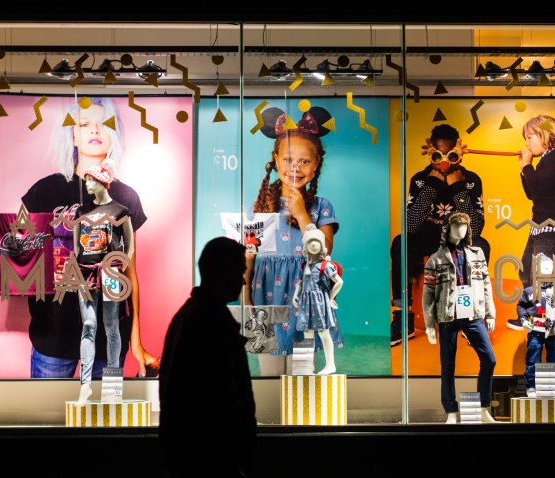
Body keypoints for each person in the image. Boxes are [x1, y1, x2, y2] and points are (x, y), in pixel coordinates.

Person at [21, 96, 158, 379]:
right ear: (71, 135)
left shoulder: (126, 198)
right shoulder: (43, 192)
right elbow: (22, 261)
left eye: (103, 124)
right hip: (53, 338)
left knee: (105, 421)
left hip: (109, 340)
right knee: (45, 421)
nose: (95, 131)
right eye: (84, 124)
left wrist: (136, 339)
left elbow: (130, 274)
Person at [245, 105, 342, 376]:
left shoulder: (322, 207)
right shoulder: (260, 207)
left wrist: (300, 214)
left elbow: (324, 252)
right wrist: (246, 300)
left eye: (305, 161)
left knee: (302, 369)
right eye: (288, 160)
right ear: (275, 160)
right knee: (270, 369)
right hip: (267, 293)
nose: (295, 168)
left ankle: (300, 418)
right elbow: (248, 257)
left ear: (316, 165)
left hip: (306, 296)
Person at [159, 236, 256, 478]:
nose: (243, 280)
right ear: (223, 272)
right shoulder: (211, 322)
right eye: (239, 271)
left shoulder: (189, 315)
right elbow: (222, 398)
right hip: (211, 461)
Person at [390, 123, 489, 346]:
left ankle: (469, 317)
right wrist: (433, 184)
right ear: (430, 154)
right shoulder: (421, 179)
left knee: (482, 246)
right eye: (438, 155)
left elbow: (476, 228)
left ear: (459, 154)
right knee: (400, 243)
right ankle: (402, 317)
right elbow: (411, 224)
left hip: (459, 239)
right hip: (428, 237)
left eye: (451, 155)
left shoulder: (472, 180)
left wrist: (457, 189)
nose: (444, 162)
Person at [422, 211, 497, 424]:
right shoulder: (436, 259)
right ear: (448, 229)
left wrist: (490, 313)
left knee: (489, 359)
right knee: (448, 366)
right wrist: (429, 324)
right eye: (457, 226)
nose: (461, 230)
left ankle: (483, 408)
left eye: (464, 226)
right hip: (448, 316)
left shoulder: (477, 254)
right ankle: (451, 412)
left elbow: (486, 285)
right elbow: (428, 293)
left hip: (473, 315)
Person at [73, 161, 134, 405]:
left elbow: (129, 245)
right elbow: (77, 246)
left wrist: (121, 267)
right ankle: (85, 385)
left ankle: (112, 386)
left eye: (91, 179)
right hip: (86, 273)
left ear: (102, 182)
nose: (87, 184)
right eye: (86, 180)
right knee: (88, 325)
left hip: (110, 272)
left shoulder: (121, 211)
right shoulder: (81, 212)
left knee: (111, 326)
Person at [507, 115, 555, 331]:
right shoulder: (547, 159)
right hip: (541, 225)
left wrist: (528, 166)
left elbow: (538, 189)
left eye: (529, 137)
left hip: (551, 226)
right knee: (526, 269)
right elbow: (532, 194)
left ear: (546, 135)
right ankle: (533, 316)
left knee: (542, 274)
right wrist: (523, 168)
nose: (526, 143)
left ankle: (548, 320)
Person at [516, 253, 555, 397]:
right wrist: (523, 320)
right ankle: (531, 387)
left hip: (554, 332)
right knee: (533, 360)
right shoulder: (529, 291)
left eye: (549, 268)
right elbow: (521, 306)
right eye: (543, 268)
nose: (546, 270)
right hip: (536, 331)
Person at [292, 223, 344, 375]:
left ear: (322, 246)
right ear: (305, 246)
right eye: (310, 242)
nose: (313, 245)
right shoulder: (304, 265)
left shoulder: (325, 266)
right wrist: (296, 294)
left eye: (316, 242)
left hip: (320, 302)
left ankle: (330, 365)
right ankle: (305, 366)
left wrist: (330, 298)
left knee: (323, 332)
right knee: (306, 332)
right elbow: (301, 282)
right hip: (306, 303)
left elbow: (339, 281)